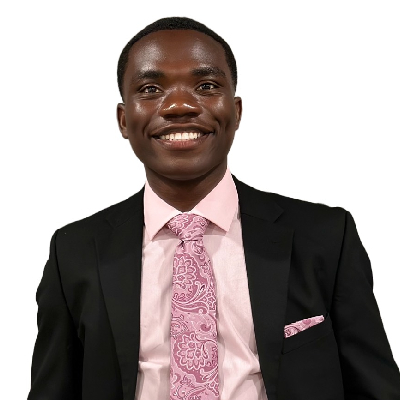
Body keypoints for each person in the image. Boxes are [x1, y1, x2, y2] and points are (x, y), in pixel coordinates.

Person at [28, 17, 400, 400]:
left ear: (236, 111)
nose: (179, 105)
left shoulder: (325, 237)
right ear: (124, 120)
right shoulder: (74, 253)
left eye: (205, 86)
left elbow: (377, 388)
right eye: (151, 89)